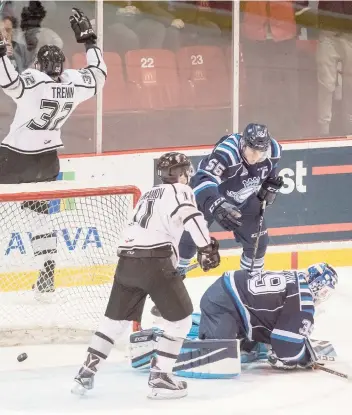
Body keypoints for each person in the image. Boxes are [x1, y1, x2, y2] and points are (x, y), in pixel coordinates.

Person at [71, 152, 220, 400]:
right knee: (181, 320)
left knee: (114, 321)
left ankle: (85, 372)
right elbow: (191, 217)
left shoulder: (149, 195)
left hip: (127, 262)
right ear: (182, 173)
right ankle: (161, 377)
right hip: (156, 262)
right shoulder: (180, 191)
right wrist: (206, 247)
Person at [0, 8, 106, 296]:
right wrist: (90, 41)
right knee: (40, 218)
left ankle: (46, 269)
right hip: (47, 162)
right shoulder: (72, 84)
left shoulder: (34, 83)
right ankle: (47, 269)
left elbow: (9, 82)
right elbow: (98, 75)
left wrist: (1, 52)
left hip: (14, 158)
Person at [178, 123, 283, 276]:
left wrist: (269, 184)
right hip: (212, 196)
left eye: (261, 153)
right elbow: (201, 179)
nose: (256, 157)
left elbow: (271, 169)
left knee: (258, 244)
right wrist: (217, 204)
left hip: (244, 199)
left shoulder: (274, 150)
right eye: (252, 151)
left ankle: (250, 283)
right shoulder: (227, 153)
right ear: (243, 143)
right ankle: (174, 275)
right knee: (188, 239)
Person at [199, 263, 338, 370]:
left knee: (246, 348)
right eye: (324, 292)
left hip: (224, 292)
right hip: (223, 306)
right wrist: (304, 358)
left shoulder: (295, 278)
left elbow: (271, 314)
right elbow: (287, 350)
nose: (322, 296)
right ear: (319, 287)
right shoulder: (304, 300)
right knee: (219, 358)